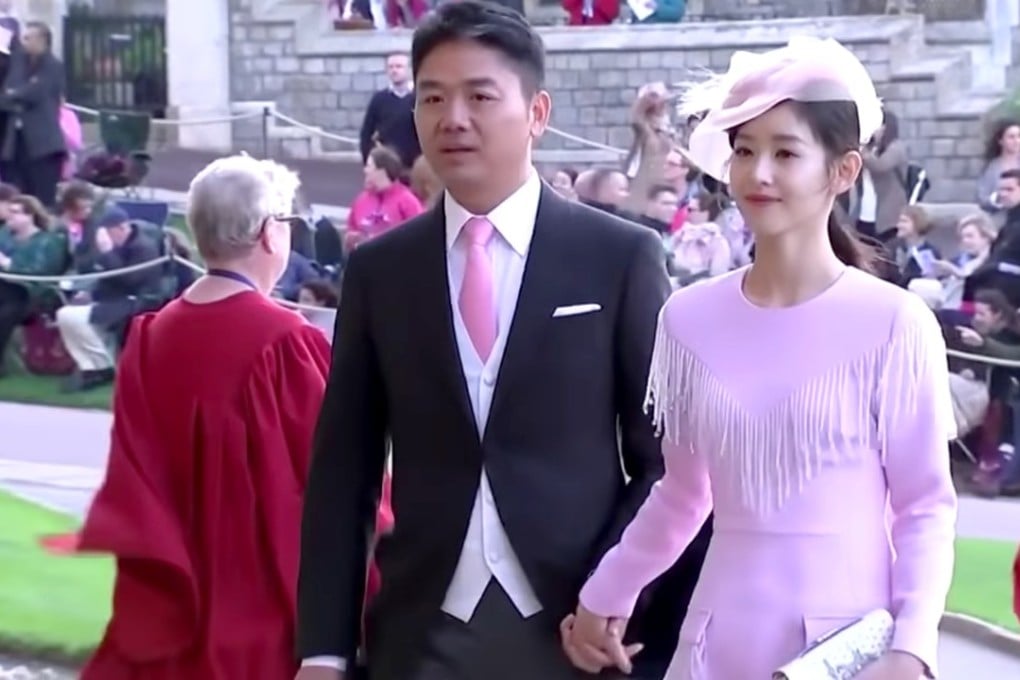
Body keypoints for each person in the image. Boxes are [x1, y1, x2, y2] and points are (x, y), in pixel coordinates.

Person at [295, 2, 708, 680]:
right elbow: (344, 471)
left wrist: (614, 595)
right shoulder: (381, 270)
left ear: (537, 113)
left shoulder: (617, 256)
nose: (453, 118)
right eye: (433, 97)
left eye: (479, 96)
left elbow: (665, 462)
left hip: (578, 631)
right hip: (421, 628)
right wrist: (324, 649)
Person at [562, 37, 958, 680]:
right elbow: (682, 496)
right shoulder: (687, 319)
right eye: (745, 151)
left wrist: (912, 648)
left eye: (785, 152)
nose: (758, 173)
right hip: (717, 637)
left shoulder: (895, 323)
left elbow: (925, 506)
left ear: (843, 171)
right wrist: (603, 595)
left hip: (849, 650)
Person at [73, 155, 335, 679]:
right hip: (262, 622)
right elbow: (339, 489)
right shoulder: (286, 342)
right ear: (268, 234)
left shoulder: (147, 341)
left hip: (169, 617)